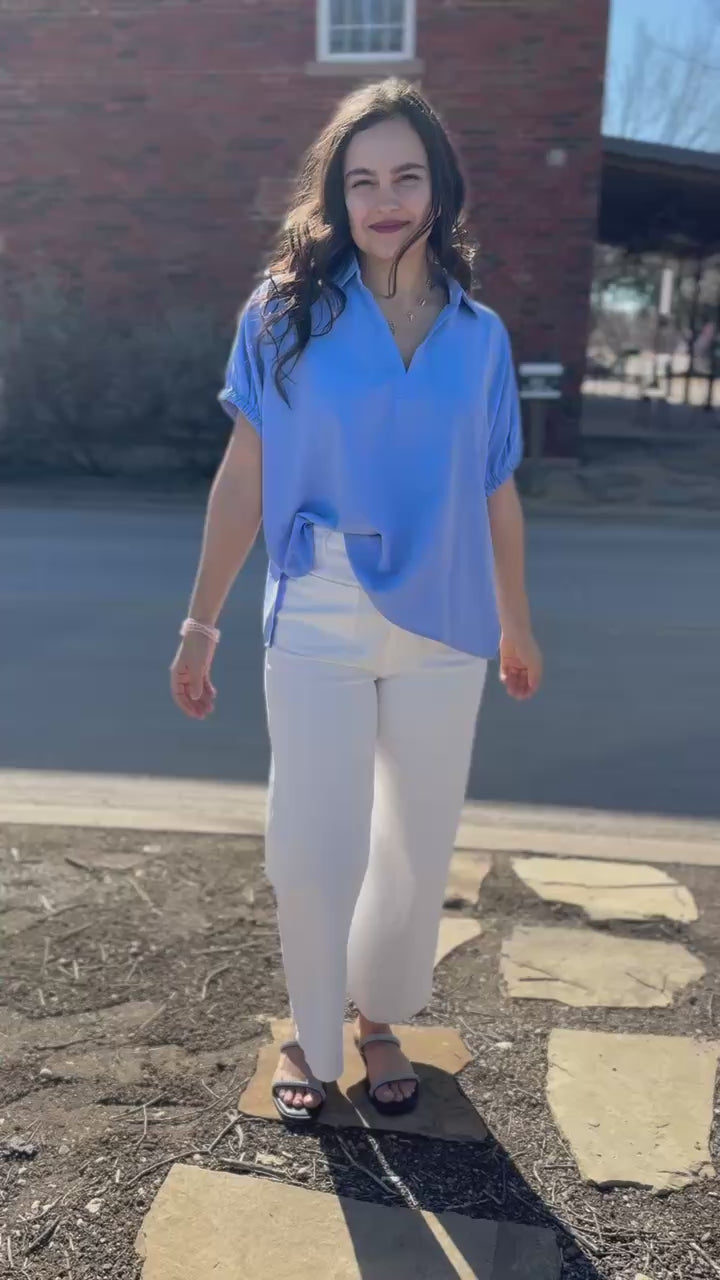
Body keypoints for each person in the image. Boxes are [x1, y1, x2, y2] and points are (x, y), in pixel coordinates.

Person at [170, 78, 542, 1126]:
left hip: (450, 620)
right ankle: (310, 1027)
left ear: (439, 189)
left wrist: (517, 619)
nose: (385, 199)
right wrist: (200, 621)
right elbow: (245, 472)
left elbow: (497, 485)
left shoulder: (481, 335)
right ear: (336, 193)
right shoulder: (284, 315)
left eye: (406, 176)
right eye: (363, 178)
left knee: (416, 847)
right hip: (321, 604)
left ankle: (377, 1013)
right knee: (313, 839)